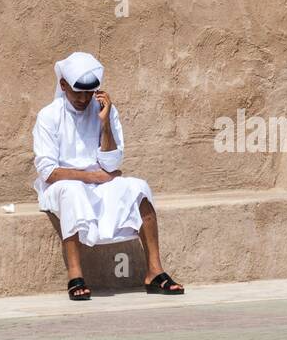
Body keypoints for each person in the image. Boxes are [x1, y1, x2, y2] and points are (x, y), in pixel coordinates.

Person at [33, 51, 185, 301]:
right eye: (78, 92)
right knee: (72, 190)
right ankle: (75, 275)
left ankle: (154, 272)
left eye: (89, 93)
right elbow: (48, 172)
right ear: (63, 85)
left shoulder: (104, 110)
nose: (83, 99)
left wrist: (104, 124)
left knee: (138, 187)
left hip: (99, 182)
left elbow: (112, 163)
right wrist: (94, 177)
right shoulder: (48, 116)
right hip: (62, 185)